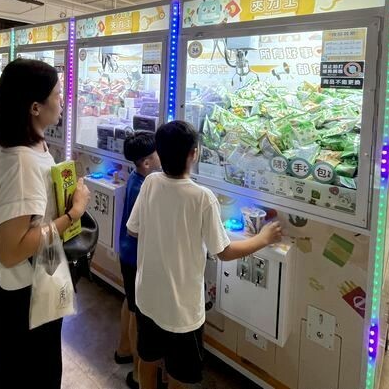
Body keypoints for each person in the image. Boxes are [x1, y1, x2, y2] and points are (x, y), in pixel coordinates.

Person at [127, 121, 283, 389]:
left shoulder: (150, 182)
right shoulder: (203, 198)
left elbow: (133, 230)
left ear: (159, 154)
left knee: (148, 360)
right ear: (194, 154)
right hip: (182, 309)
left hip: (147, 297)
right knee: (179, 375)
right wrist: (263, 238)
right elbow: (224, 252)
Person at [0, 59, 90, 389]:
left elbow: (35, 216)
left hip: (38, 295)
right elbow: (11, 250)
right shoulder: (22, 162)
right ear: (35, 107)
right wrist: (72, 215)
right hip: (23, 306)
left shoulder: (35, 149)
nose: (62, 101)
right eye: (57, 94)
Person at [115, 131, 162, 389]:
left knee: (130, 302)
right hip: (135, 257)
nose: (161, 157)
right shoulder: (146, 187)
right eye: (157, 154)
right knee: (137, 314)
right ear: (146, 162)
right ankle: (136, 371)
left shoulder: (135, 178)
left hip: (127, 254)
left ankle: (123, 348)